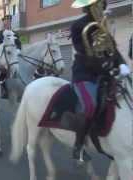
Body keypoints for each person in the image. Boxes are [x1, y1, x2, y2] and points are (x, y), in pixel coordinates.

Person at [65, 0, 131, 162]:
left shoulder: (102, 25)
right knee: (90, 106)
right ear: (88, 7)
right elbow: (84, 53)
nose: (101, 7)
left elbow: (112, 49)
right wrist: (105, 66)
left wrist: (122, 64)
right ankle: (78, 145)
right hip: (85, 75)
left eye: (102, 4)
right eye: (97, 4)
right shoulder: (78, 26)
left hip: (105, 73)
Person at [0, 15, 22, 98]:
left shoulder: (15, 33)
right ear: (4, 22)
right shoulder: (0, 33)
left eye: (9, 20)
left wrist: (18, 50)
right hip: (3, 55)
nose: (7, 22)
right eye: (6, 20)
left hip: (13, 55)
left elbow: (19, 44)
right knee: (2, 70)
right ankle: (3, 88)